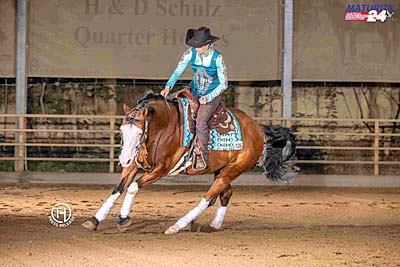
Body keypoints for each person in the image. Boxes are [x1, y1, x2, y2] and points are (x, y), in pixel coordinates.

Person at [161, 26, 228, 170]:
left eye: (199, 45)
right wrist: (168, 86)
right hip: (195, 90)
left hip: (212, 94)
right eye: (195, 45)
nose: (196, 48)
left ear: (208, 44)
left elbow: (224, 84)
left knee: (201, 121)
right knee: (173, 106)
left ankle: (202, 155)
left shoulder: (218, 58)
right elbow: (178, 70)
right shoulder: (190, 53)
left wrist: (208, 97)